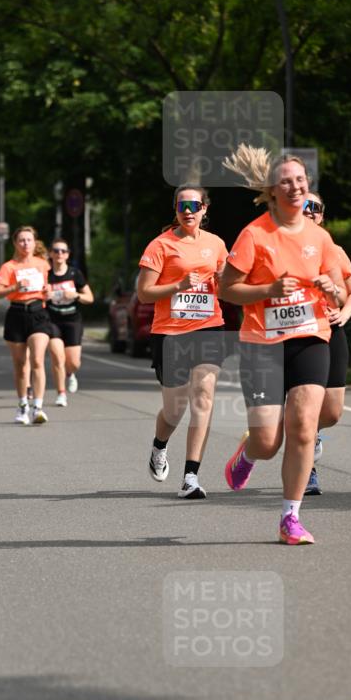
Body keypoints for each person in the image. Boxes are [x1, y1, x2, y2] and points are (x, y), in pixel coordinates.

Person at [220, 146, 345, 544]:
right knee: (269, 441)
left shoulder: (319, 237)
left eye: (301, 180)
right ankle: (249, 452)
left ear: (308, 187)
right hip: (262, 344)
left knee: (304, 426)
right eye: (286, 181)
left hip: (311, 336)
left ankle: (290, 518)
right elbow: (228, 289)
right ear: (272, 190)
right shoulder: (255, 234)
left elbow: (341, 291)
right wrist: (268, 289)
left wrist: (333, 287)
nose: (295, 187)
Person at [137, 187, 228, 498]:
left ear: (205, 209)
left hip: (209, 327)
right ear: (175, 209)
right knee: (174, 409)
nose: (188, 210)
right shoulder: (161, 245)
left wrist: (223, 281)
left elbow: (228, 286)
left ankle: (191, 476)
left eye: (194, 205)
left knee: (203, 397)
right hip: (171, 332)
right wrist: (178, 285)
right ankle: (159, 446)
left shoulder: (216, 244)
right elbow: (144, 293)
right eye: (182, 205)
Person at [301, 193, 351, 495]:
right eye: (303, 206)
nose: (309, 211)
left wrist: (344, 315)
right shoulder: (283, 244)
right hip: (298, 333)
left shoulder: (333, 250)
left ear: (321, 216)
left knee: (332, 411)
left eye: (315, 208)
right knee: (306, 406)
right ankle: (307, 469)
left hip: (331, 329)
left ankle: (312, 432)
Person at [0, 226, 53, 425]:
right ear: (15, 244)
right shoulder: (9, 267)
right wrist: (15, 287)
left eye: (29, 240)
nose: (25, 244)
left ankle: (38, 406)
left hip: (38, 313)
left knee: (37, 360)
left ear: (35, 243)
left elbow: (49, 287)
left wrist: (48, 291)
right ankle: (22, 405)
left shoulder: (43, 264)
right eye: (21, 240)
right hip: (16, 313)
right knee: (20, 365)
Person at [45, 238, 94, 405]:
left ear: (67, 254)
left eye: (63, 251)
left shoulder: (75, 273)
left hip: (72, 320)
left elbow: (90, 298)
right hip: (52, 320)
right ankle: (61, 393)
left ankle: (70, 374)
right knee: (57, 358)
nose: (60, 254)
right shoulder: (46, 274)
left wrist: (76, 295)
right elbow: (35, 295)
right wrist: (45, 296)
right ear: (50, 253)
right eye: (56, 250)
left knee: (73, 362)